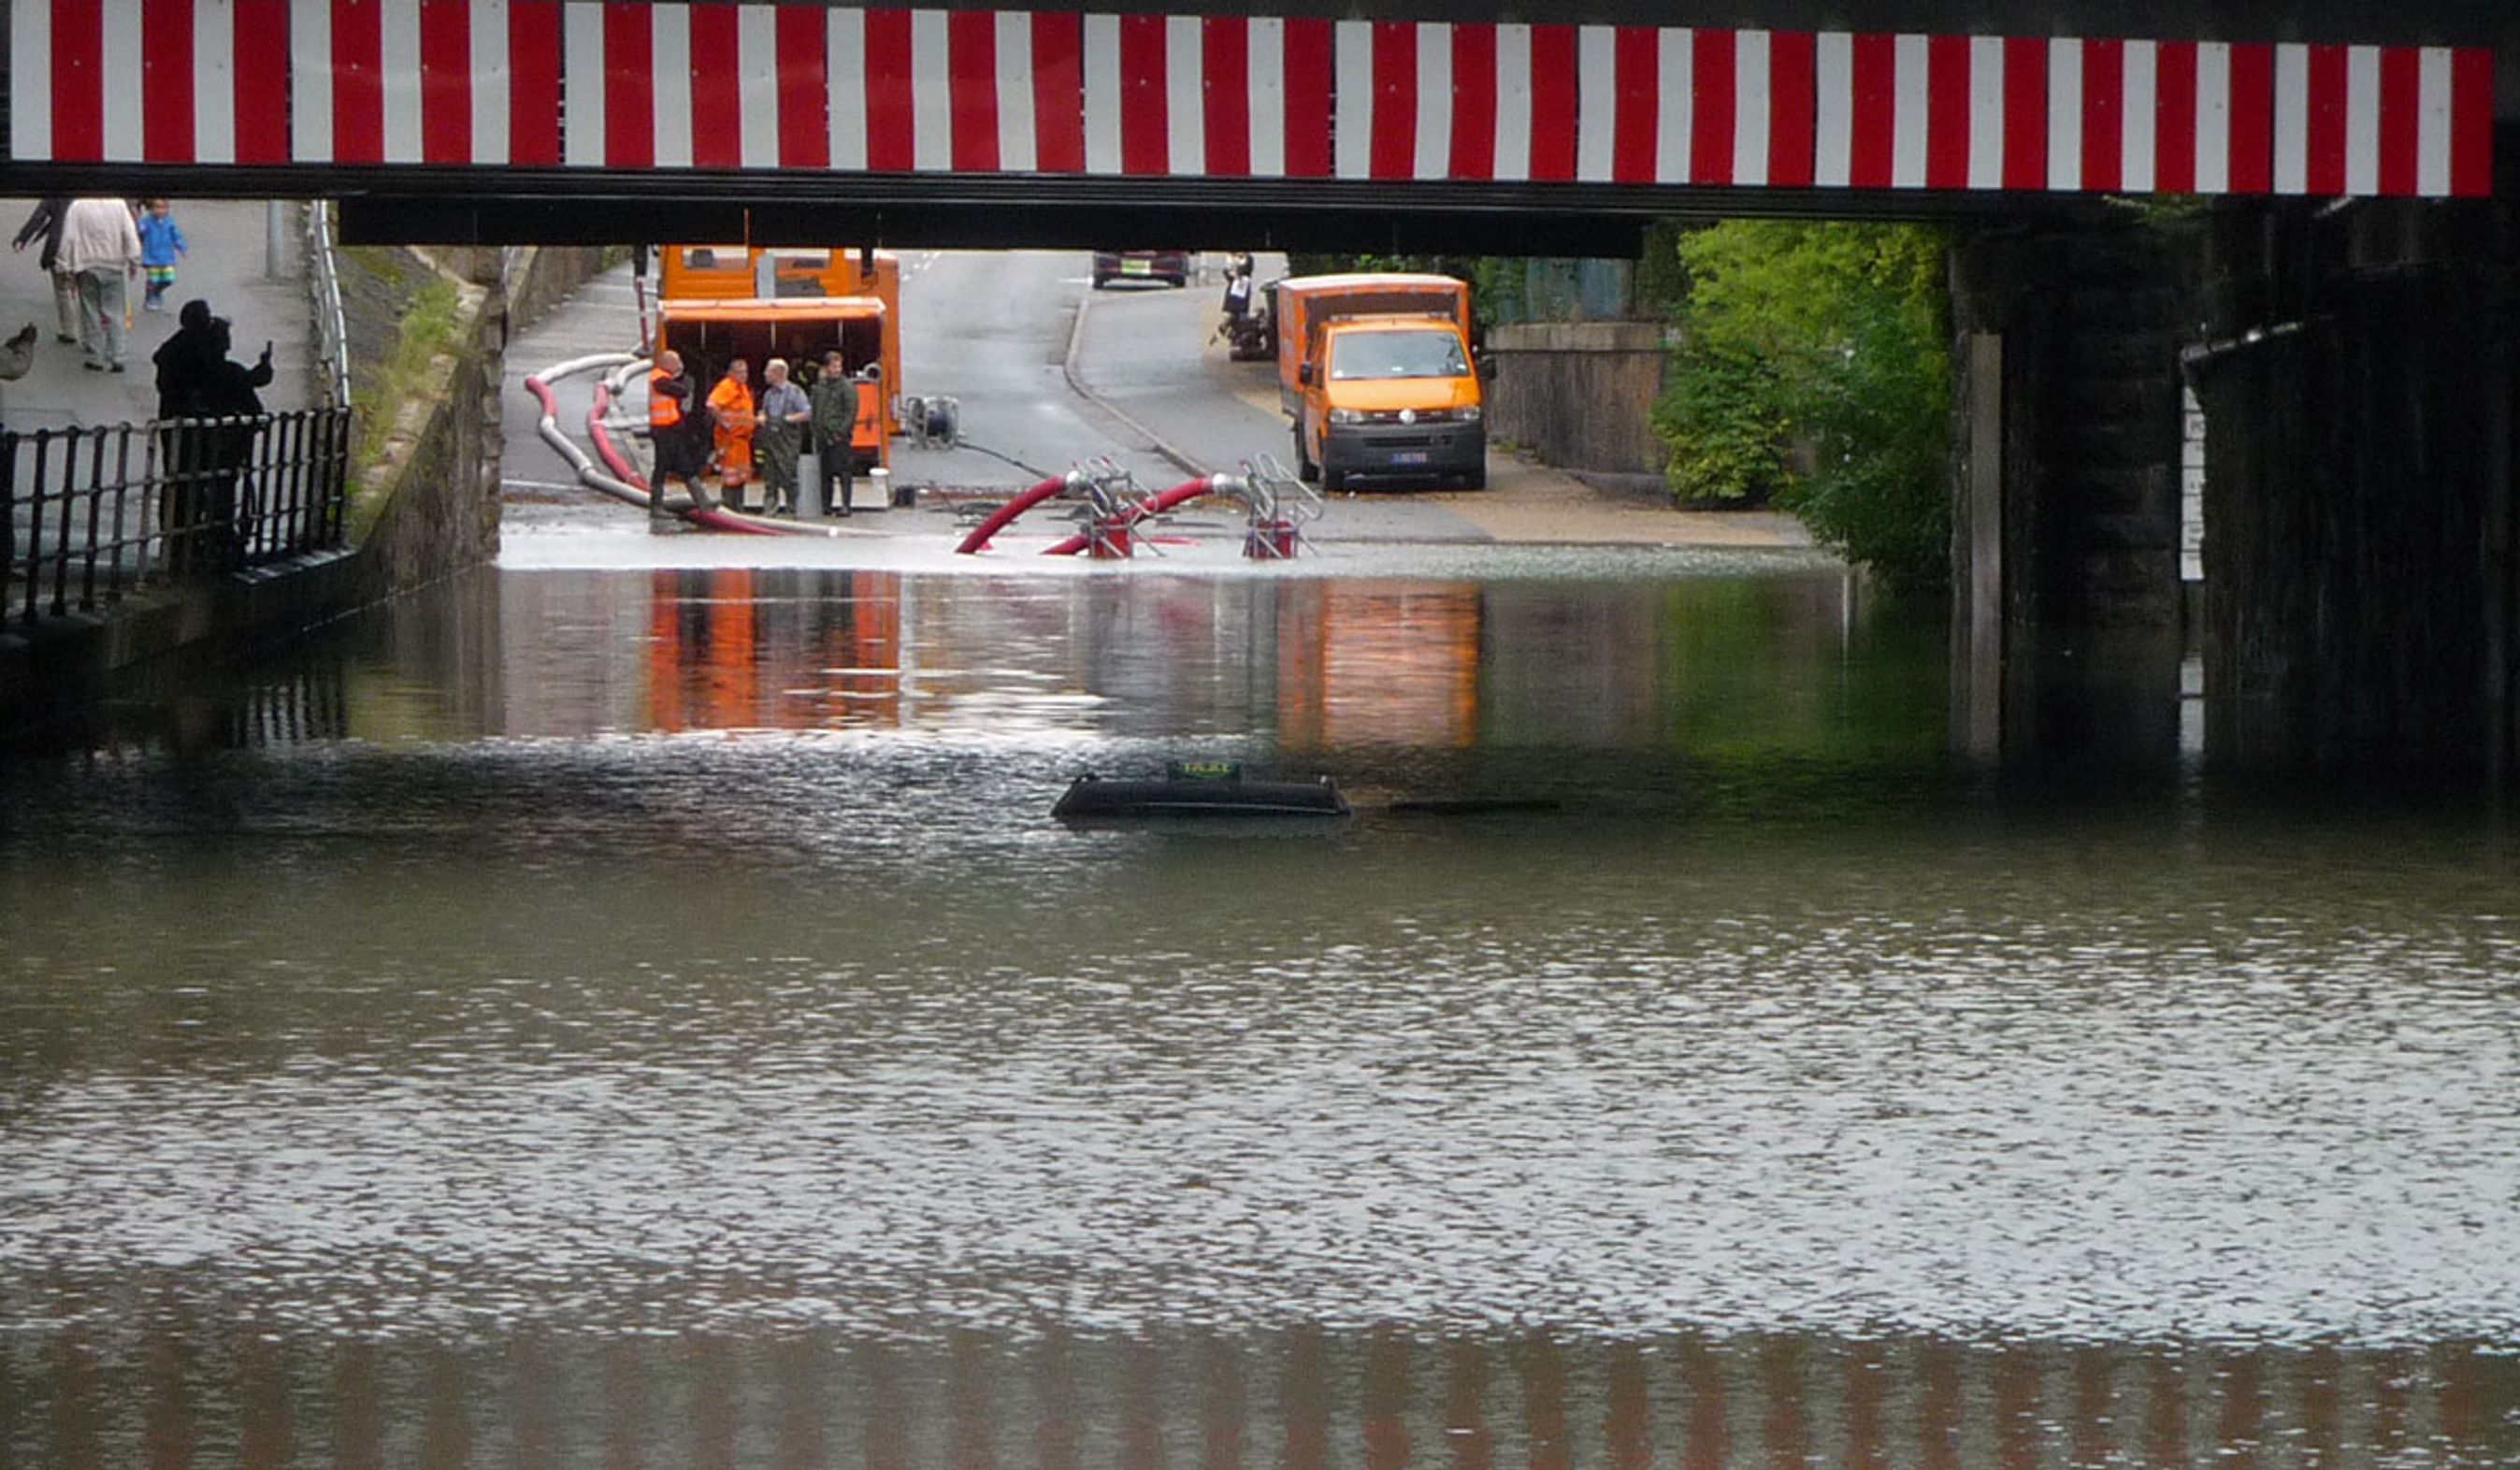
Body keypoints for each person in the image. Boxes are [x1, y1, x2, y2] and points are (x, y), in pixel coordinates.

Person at [54, 197, 141, 372]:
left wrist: (63, 265)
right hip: (114, 265)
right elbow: (129, 233)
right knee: (116, 312)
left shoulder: (78, 206)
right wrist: (134, 259)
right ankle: (118, 356)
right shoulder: (118, 205)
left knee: (90, 311)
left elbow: (68, 237)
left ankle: (96, 357)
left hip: (86, 266)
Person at [11, 196, 78, 343]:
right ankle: (94, 332)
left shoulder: (56, 194)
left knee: (63, 291)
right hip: (89, 247)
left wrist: (22, 238)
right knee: (89, 290)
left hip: (61, 246)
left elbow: (39, 217)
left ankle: (69, 330)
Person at [752, 357, 811, 516]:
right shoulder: (768, 394)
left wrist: (790, 419)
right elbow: (764, 411)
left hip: (787, 441)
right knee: (770, 477)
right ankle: (770, 510)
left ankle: (792, 510)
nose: (765, 374)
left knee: (788, 476)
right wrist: (761, 417)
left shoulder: (795, 392)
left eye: (768, 371)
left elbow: (807, 413)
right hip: (771, 440)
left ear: (778, 373)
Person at [646, 349, 706, 505]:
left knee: (684, 464)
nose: (679, 365)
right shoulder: (659, 379)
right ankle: (656, 504)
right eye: (677, 362)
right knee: (661, 467)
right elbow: (682, 391)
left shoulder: (664, 378)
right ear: (668, 363)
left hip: (670, 429)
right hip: (662, 430)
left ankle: (703, 501)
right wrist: (683, 379)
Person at [807, 350, 856, 517]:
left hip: (839, 436)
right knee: (824, 473)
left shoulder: (847, 387)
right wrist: (815, 430)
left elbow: (850, 412)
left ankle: (846, 505)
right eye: (833, 366)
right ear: (826, 367)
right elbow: (814, 409)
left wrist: (841, 432)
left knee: (844, 471)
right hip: (822, 436)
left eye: (839, 366)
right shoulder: (819, 387)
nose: (837, 370)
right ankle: (826, 505)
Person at [706, 357, 756, 507]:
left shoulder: (743, 388)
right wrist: (723, 422)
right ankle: (729, 506)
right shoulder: (726, 386)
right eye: (740, 372)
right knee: (731, 476)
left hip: (743, 440)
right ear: (731, 373)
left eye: (745, 372)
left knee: (741, 475)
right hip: (730, 440)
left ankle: (738, 506)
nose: (744, 375)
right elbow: (711, 404)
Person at [135, 199, 188, 313]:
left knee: (169, 279)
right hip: (152, 257)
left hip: (167, 258)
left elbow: (176, 236)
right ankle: (150, 297)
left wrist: (182, 247)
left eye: (163, 208)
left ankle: (156, 292)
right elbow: (140, 231)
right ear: (152, 209)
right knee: (153, 280)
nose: (160, 211)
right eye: (157, 208)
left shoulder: (170, 223)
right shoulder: (147, 222)